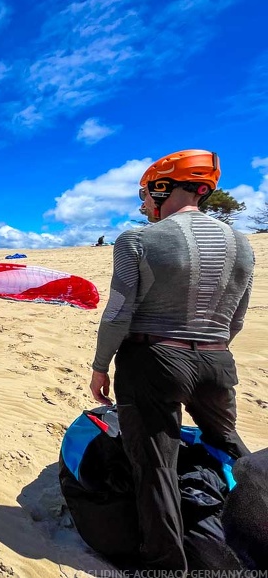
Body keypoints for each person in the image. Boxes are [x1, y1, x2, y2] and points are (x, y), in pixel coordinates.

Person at [89, 150, 254, 571]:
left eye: (145, 194)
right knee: (229, 445)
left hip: (153, 360)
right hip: (218, 360)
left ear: (163, 187)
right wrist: (208, 351)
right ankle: (258, 527)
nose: (144, 205)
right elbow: (236, 316)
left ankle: (166, 565)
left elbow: (118, 312)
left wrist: (100, 365)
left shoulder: (138, 239)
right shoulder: (242, 244)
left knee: (155, 466)